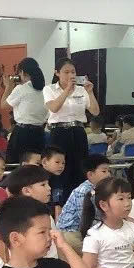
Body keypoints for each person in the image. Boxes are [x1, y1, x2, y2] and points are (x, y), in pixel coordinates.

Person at [44, 57, 99, 199]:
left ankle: (80, 200)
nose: (70, 75)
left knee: (80, 167)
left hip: (78, 131)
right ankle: (58, 202)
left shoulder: (81, 90)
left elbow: (95, 111)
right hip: (59, 132)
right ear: (57, 73)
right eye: (66, 72)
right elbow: (54, 108)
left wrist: (90, 92)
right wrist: (67, 90)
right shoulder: (49, 89)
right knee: (59, 169)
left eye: (73, 72)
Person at [58, 154, 112, 251]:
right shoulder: (84, 191)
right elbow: (85, 218)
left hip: (86, 229)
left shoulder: (101, 189)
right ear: (90, 175)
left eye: (109, 171)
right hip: (71, 232)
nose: (108, 174)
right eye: (104, 171)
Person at [1, 57, 48, 164]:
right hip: (39, 133)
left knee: (16, 164)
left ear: (22, 72)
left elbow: (3, 105)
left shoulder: (21, 89)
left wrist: (8, 87)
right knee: (36, 165)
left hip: (22, 133)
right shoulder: (45, 90)